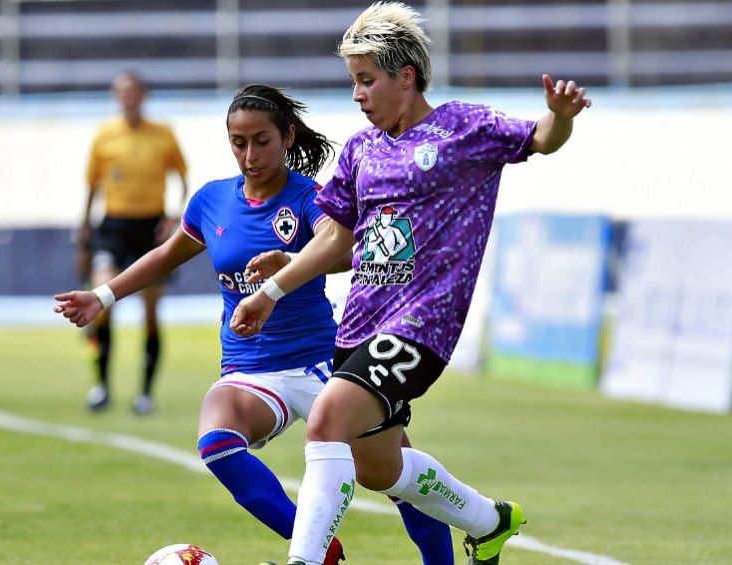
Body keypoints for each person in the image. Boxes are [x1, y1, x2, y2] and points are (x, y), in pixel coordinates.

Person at [229, 3, 592, 565]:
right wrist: (287, 266)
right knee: (380, 468)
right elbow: (340, 243)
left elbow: (541, 138)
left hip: (422, 323)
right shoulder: (359, 150)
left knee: (325, 419)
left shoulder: (463, 128)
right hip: (360, 325)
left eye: (366, 79)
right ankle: (490, 520)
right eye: (353, 81)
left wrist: (561, 116)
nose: (357, 94)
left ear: (406, 76)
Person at [55, 84, 456, 565]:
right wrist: (102, 296)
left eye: (262, 141)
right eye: (238, 143)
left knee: (393, 473)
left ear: (287, 137)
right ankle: (318, 550)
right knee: (217, 443)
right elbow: (165, 256)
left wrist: (291, 261)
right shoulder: (212, 201)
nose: (250, 154)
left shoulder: (311, 197)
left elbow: (347, 249)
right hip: (248, 367)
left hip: (321, 364)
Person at [79, 70, 189, 414]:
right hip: (113, 225)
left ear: (144, 94)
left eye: (134, 90)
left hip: (150, 226)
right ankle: (100, 386)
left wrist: (174, 217)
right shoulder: (104, 135)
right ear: (116, 95)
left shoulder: (163, 135)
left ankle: (145, 393)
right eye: (122, 91)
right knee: (101, 298)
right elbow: (93, 185)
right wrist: (84, 227)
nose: (128, 97)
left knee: (151, 311)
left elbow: (183, 179)